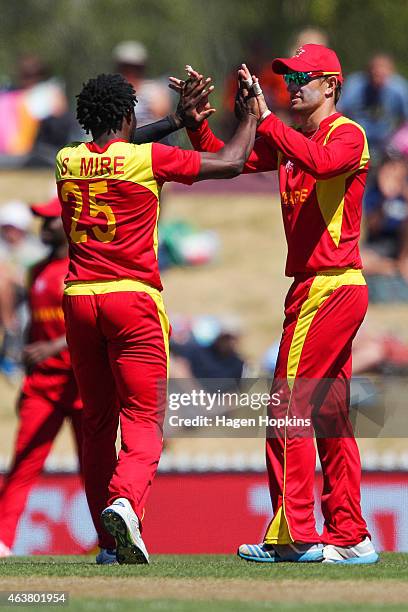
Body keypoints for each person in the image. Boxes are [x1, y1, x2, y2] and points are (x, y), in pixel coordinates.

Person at [173, 44, 379, 564]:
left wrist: (265, 117)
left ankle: (296, 535)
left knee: (287, 404)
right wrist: (199, 125)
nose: (292, 85)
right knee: (331, 415)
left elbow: (321, 162)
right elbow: (234, 160)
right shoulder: (296, 137)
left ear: (331, 84)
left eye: (303, 77)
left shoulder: (345, 134)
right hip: (317, 287)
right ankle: (351, 536)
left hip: (330, 285)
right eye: (287, 77)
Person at [56, 72, 259, 564]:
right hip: (133, 299)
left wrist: (172, 121)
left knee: (98, 424)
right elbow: (232, 162)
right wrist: (249, 116)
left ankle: (109, 544)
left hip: (80, 299)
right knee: (144, 418)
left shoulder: (66, 160)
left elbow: (116, 147)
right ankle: (125, 500)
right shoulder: (146, 160)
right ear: (127, 116)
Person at [0, 197, 82, 558]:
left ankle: (111, 543)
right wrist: (27, 375)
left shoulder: (85, 269)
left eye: (49, 220)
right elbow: (33, 329)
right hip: (44, 387)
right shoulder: (37, 271)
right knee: (23, 464)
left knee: (96, 469)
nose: (43, 227)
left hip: (82, 385)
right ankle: (2, 541)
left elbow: (92, 326)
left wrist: (53, 346)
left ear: (67, 224)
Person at [339, 53, 408, 165]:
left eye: (383, 73)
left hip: (387, 143)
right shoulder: (354, 86)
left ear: (391, 72)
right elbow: (339, 111)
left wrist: (398, 141)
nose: (379, 77)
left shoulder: (399, 89)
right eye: (375, 73)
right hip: (357, 139)